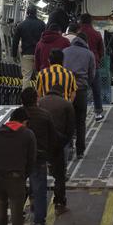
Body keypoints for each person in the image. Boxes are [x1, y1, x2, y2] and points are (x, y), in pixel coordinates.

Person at [20, 87, 58, 225]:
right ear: (36, 99)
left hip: (20, 159)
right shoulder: (44, 115)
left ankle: (16, 220)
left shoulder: (18, 115)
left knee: (17, 191)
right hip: (39, 159)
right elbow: (53, 139)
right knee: (40, 192)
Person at [37, 82, 74, 214]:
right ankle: (59, 204)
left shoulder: (40, 102)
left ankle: (35, 202)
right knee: (60, 175)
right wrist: (64, 142)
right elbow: (71, 128)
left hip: (40, 144)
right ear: (62, 92)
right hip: (58, 144)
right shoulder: (66, 104)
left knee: (37, 175)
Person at [62, 31, 97, 158]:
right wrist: (87, 83)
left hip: (67, 90)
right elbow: (92, 73)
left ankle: (69, 148)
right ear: (86, 42)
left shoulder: (65, 51)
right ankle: (80, 151)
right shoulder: (89, 54)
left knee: (67, 121)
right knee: (80, 121)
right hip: (81, 90)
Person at [78, 13, 106, 118]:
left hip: (80, 66)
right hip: (94, 65)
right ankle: (98, 112)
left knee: (81, 90)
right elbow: (102, 51)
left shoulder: (78, 33)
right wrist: (97, 59)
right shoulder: (97, 34)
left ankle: (81, 112)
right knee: (96, 89)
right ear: (91, 21)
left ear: (80, 21)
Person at [11, 7, 46, 89]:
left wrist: (14, 54)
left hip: (26, 54)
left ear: (27, 13)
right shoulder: (42, 24)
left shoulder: (21, 25)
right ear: (36, 13)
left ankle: (25, 100)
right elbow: (46, 39)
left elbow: (15, 41)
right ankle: (39, 97)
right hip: (39, 54)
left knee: (26, 77)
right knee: (40, 76)